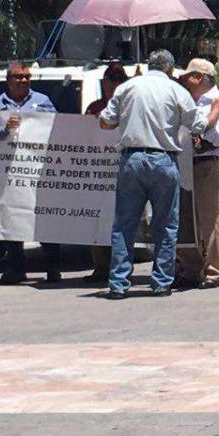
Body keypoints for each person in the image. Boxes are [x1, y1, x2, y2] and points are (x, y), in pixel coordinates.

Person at [98, 49, 211, 298]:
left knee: (124, 225)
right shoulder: (176, 91)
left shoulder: (128, 88)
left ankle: (118, 284)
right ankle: (161, 283)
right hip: (163, 161)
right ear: (170, 69)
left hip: (132, 160)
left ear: (150, 66)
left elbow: (105, 122)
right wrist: (213, 111)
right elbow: (198, 125)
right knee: (166, 226)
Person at [0, 61, 59, 285]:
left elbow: (58, 127)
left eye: (26, 76)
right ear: (8, 80)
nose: (23, 80)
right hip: (10, 174)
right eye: (18, 77)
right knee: (12, 217)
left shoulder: (42, 101)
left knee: (44, 217)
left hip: (39, 171)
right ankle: (15, 267)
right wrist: (3, 130)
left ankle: (52, 266)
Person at [175, 59, 219, 289]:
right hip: (185, 163)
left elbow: (218, 137)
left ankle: (212, 271)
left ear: (199, 77)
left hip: (204, 165)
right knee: (186, 218)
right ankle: (189, 268)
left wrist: (197, 138)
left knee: (207, 219)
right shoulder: (190, 101)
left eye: (187, 76)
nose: (183, 80)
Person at [83, 62, 130, 281]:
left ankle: (120, 266)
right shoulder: (94, 107)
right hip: (98, 172)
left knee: (123, 219)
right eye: (110, 79)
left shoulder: (130, 105)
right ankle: (100, 266)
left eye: (118, 79)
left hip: (124, 170)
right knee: (97, 220)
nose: (113, 83)